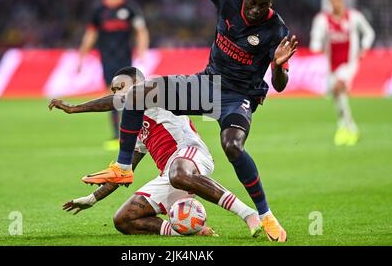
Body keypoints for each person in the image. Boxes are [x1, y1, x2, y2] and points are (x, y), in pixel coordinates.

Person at [51, 0, 297, 242]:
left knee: (232, 146)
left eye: (263, 5)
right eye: (252, 3)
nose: (256, 10)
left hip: (238, 97)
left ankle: (265, 215)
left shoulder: (276, 30)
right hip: (208, 85)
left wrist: (278, 66)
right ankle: (123, 167)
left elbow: (279, 86)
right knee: (138, 94)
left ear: (271, 4)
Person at [51, 67, 262, 238]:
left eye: (120, 88)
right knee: (124, 220)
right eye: (114, 90)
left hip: (190, 154)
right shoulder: (135, 127)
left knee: (178, 173)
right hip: (170, 174)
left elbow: (124, 100)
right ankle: (189, 231)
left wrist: (74, 108)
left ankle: (249, 214)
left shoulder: (156, 92)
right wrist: (92, 199)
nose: (117, 94)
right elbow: (124, 172)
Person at [77, 0, 150, 150]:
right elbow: (91, 33)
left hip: (125, 60)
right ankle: (118, 135)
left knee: (125, 97)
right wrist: (82, 56)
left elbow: (141, 31)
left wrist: (142, 52)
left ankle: (130, 134)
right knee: (113, 97)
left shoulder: (130, 8)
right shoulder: (98, 9)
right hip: (106, 59)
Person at [310, 0, 375, 146]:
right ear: (329, 2)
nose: (336, 3)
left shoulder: (354, 17)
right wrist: (317, 47)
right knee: (337, 96)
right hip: (331, 66)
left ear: (343, 0)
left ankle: (347, 128)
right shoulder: (323, 19)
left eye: (338, 0)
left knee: (339, 88)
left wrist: (364, 47)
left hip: (349, 64)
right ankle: (346, 127)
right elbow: (315, 42)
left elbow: (369, 32)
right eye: (333, 0)